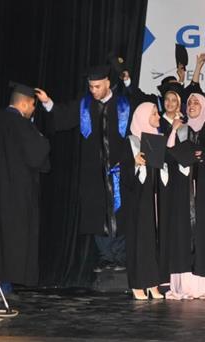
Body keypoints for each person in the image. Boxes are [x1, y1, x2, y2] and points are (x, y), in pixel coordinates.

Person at [36, 66, 136, 272]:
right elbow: (63, 114)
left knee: (121, 211)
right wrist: (47, 102)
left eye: (97, 86)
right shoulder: (85, 105)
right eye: (90, 87)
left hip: (119, 169)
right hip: (93, 172)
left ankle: (120, 257)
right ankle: (106, 257)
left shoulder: (124, 104)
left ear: (108, 83)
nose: (93, 90)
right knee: (96, 213)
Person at [0, 83, 51, 293]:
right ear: (24, 104)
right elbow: (38, 155)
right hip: (16, 194)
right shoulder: (23, 126)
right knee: (12, 240)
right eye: (33, 105)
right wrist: (42, 139)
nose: (33, 110)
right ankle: (3, 285)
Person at [164, 91, 205, 299]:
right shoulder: (180, 129)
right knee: (183, 234)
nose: (192, 105)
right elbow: (167, 155)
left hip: (204, 192)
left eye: (196, 103)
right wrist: (182, 149)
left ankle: (204, 285)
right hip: (182, 192)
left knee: (203, 234)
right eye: (189, 102)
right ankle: (185, 286)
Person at [121, 102, 171, 300]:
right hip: (138, 201)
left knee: (154, 241)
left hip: (154, 199)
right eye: (154, 114)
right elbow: (123, 176)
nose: (158, 117)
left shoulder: (157, 139)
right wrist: (134, 163)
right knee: (140, 241)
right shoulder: (130, 142)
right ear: (143, 117)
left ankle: (152, 283)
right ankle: (138, 283)